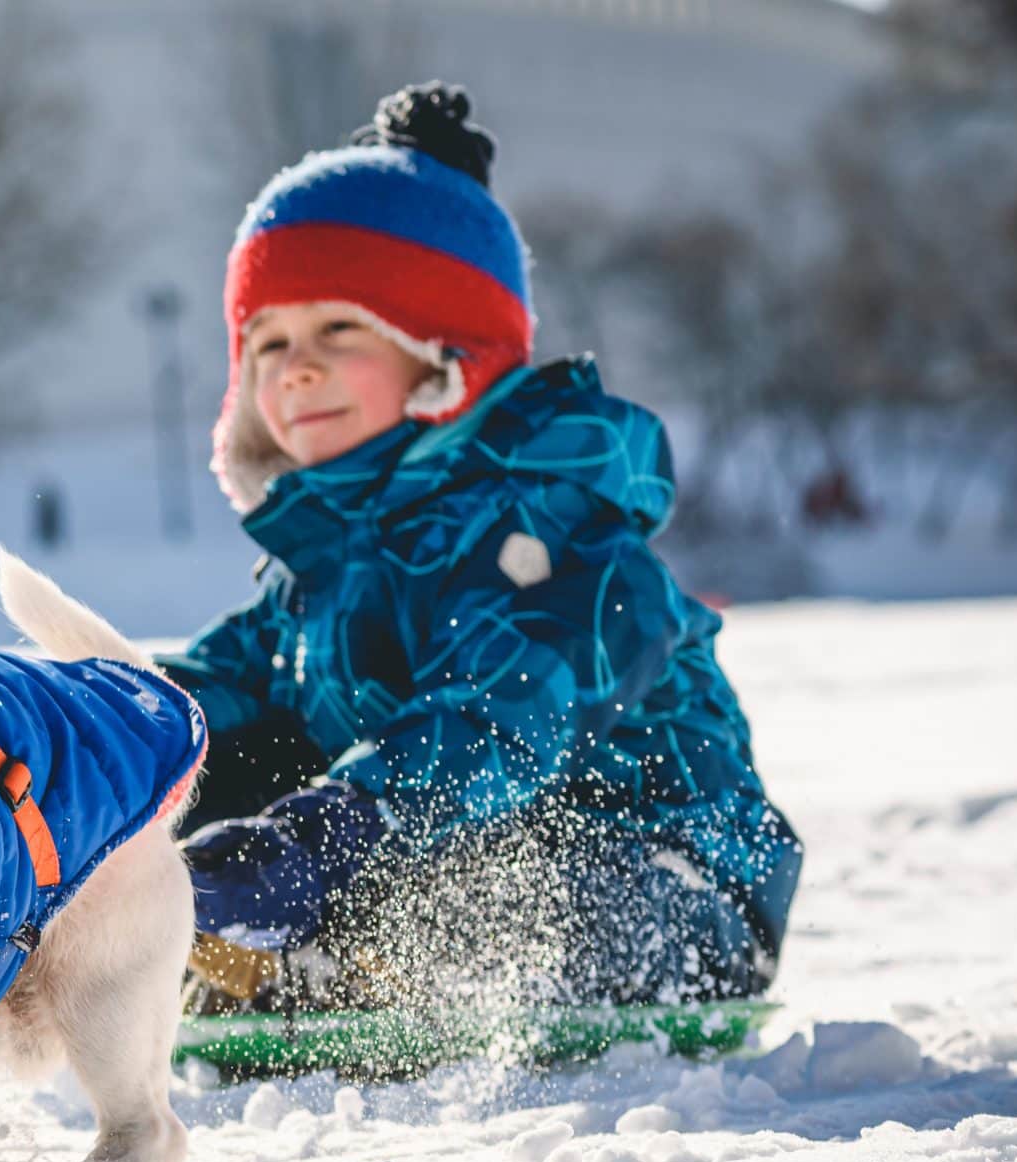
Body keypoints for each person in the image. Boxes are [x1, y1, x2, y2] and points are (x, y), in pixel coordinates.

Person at [160, 82, 801, 1014]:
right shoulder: (319, 567)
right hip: (406, 854)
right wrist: (64, 738)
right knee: (187, 773)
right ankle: (247, 956)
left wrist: (330, 833)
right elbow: (215, 692)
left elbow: (503, 719)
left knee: (483, 896)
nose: (295, 367)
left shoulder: (562, 534)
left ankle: (335, 962)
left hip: (667, 885)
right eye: (267, 343)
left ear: (447, 354)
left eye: (341, 329)